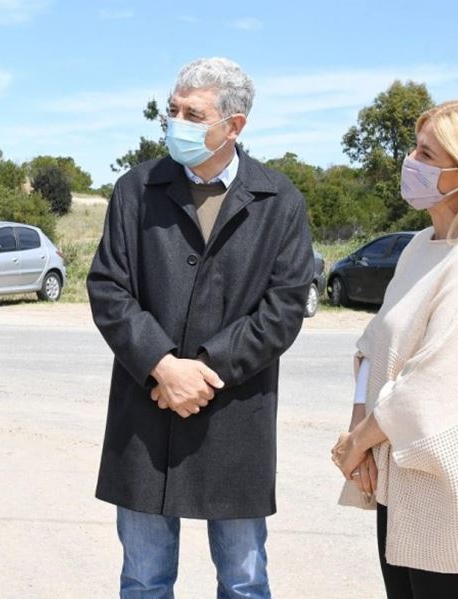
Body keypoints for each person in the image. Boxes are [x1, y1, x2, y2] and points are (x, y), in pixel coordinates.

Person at [87, 57, 313, 598]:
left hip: (232, 417)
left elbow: (284, 307)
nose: (176, 124)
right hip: (148, 408)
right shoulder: (135, 189)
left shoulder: (280, 200)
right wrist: (162, 365)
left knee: (243, 579)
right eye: (172, 111)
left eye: (193, 114)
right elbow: (108, 288)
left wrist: (204, 370)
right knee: (143, 578)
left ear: (233, 126)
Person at [331, 99, 458, 599]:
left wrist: (359, 442)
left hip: (447, 487)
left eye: (426, 153)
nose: (411, 162)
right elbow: (373, 347)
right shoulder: (419, 246)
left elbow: (437, 379)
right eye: (415, 148)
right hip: (396, 473)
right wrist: (361, 437)